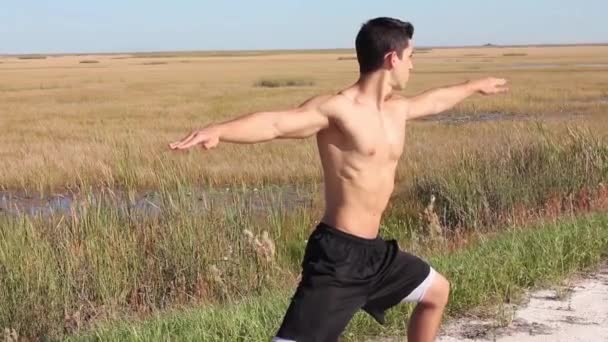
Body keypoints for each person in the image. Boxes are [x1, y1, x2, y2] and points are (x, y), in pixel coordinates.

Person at [169, 17, 508, 342]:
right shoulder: (337, 109)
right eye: (411, 57)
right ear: (392, 59)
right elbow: (275, 124)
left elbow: (434, 101)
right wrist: (220, 131)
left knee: (437, 291)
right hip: (338, 257)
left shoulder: (396, 110)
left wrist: (473, 86)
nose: (413, 66)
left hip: (375, 254)